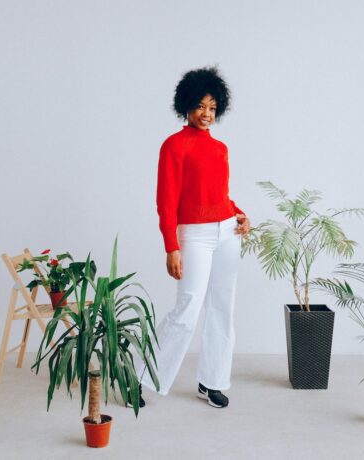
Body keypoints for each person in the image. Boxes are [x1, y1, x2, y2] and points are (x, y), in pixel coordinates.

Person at [137, 66, 250, 409]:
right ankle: (140, 377)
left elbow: (219, 195)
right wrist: (171, 247)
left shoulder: (220, 148)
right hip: (195, 236)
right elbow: (166, 202)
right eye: (201, 106)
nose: (207, 114)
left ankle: (211, 382)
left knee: (222, 310)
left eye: (213, 108)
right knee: (187, 309)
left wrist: (240, 213)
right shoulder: (173, 146)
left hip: (228, 232)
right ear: (186, 106)